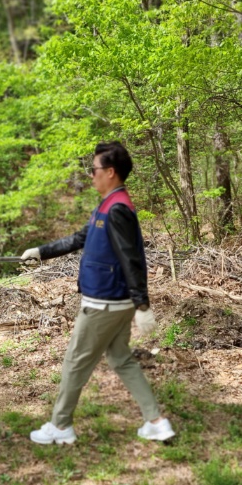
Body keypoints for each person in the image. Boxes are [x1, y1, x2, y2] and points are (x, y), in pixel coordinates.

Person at [20, 142, 174, 446]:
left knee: (75, 361)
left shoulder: (118, 209)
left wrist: (142, 303)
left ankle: (60, 425)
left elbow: (132, 257)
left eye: (94, 170)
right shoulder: (109, 204)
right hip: (114, 301)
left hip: (105, 302)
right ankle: (156, 422)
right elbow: (81, 238)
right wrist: (41, 251)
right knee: (121, 359)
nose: (91, 175)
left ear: (111, 172)